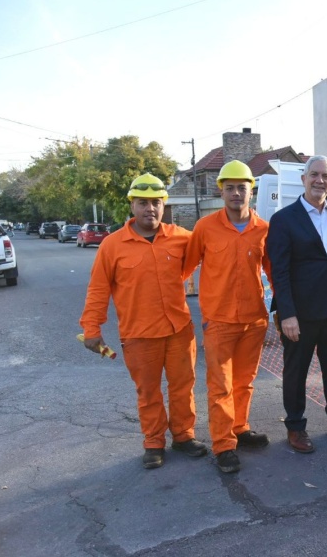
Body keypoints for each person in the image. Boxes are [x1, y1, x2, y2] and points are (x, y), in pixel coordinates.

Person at [79, 173, 206, 469]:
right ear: (132, 206)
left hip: (178, 330)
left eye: (156, 203)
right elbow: (98, 289)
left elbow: (211, 257)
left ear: (164, 205)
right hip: (138, 334)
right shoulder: (112, 245)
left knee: (182, 386)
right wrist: (91, 329)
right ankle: (153, 443)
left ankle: (184, 436)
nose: (150, 208)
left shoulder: (181, 238)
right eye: (142, 203)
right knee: (148, 392)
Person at [183, 160, 272, 474]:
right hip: (219, 321)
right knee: (220, 386)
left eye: (242, 188)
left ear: (251, 191)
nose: (236, 193)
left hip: (254, 320)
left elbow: (274, 273)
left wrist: (284, 309)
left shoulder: (263, 229)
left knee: (245, 383)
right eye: (230, 187)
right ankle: (223, 446)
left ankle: (239, 428)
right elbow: (186, 267)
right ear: (221, 190)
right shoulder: (206, 228)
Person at [266, 155, 327, 453]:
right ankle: (295, 426)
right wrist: (286, 313)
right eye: (314, 175)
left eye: (326, 176)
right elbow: (279, 269)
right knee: (296, 372)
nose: (320, 181)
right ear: (303, 179)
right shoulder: (283, 219)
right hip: (299, 314)